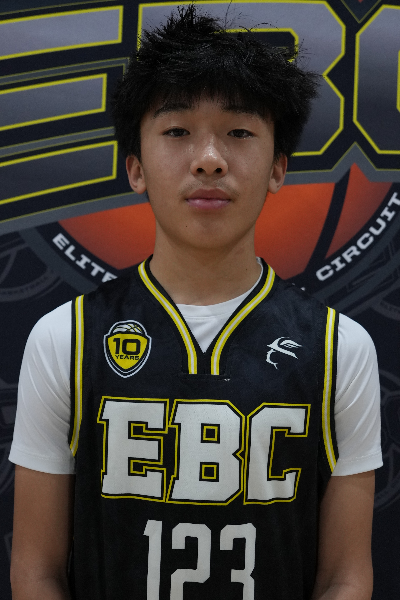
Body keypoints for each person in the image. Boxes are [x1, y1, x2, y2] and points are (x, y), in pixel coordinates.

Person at [9, 5, 382, 600]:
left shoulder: (340, 349)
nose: (209, 158)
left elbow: (345, 576)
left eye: (239, 132)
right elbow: (36, 571)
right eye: (178, 131)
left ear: (278, 168)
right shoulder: (66, 338)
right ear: (135, 168)